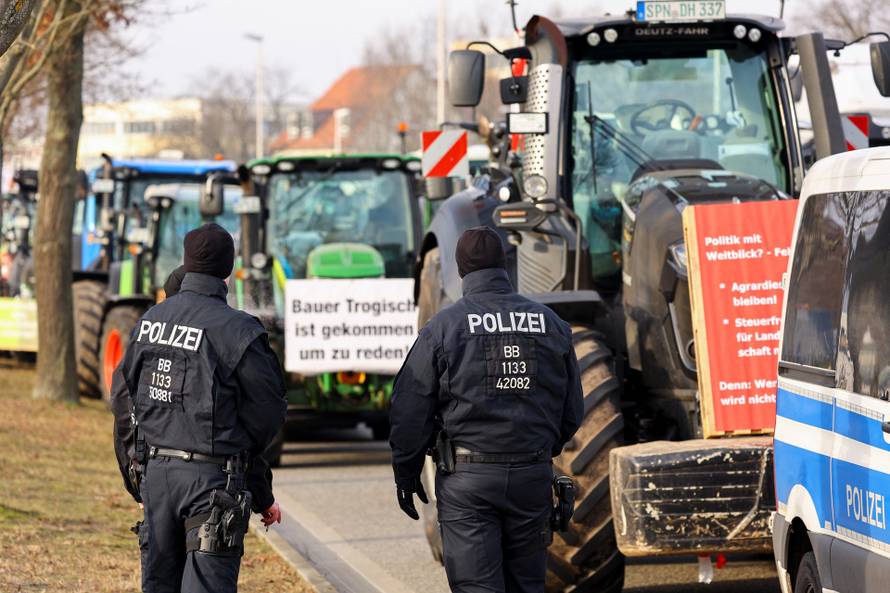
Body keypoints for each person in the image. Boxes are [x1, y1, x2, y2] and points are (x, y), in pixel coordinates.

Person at [388, 226, 584, 593]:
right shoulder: (551, 324)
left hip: (469, 482)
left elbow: (409, 408)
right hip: (532, 475)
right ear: (505, 264)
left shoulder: (443, 328)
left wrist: (406, 471)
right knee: (527, 586)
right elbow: (572, 409)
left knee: (477, 586)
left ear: (461, 270)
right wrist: (538, 452)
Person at [111, 223, 287, 593]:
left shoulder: (148, 323)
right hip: (213, 484)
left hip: (157, 479)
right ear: (229, 268)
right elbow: (266, 416)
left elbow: (123, 405)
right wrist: (258, 486)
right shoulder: (239, 330)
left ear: (186, 262)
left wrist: (138, 481)